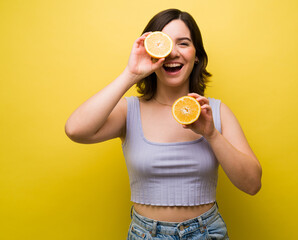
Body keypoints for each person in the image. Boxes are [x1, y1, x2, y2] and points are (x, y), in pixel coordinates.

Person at [65, 8, 262, 239]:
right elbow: (75, 130)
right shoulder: (129, 111)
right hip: (145, 233)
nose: (173, 53)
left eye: (184, 43)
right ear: (152, 52)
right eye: (165, 43)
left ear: (196, 54)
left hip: (206, 232)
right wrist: (131, 73)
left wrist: (212, 134)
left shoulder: (216, 112)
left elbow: (252, 184)